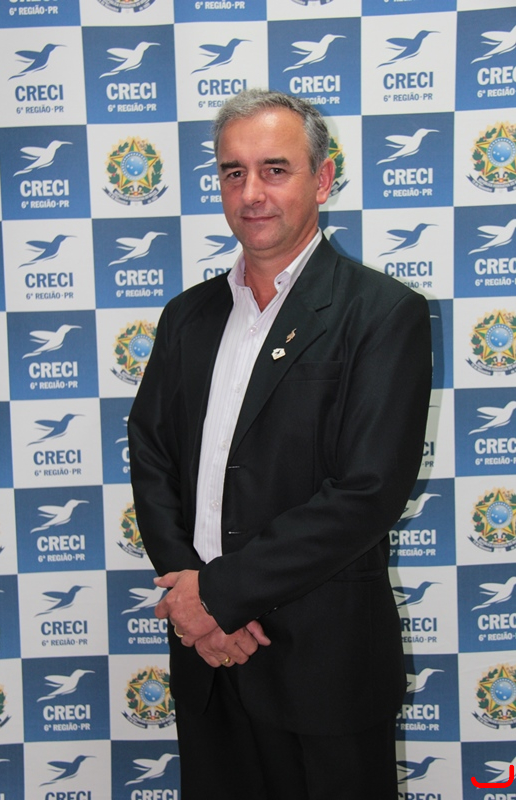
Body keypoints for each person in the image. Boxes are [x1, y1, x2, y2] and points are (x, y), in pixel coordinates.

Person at [128, 89, 432, 800]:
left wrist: (218, 596)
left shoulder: (383, 313)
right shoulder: (186, 316)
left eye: (274, 169)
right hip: (207, 658)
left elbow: (367, 492)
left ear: (321, 180)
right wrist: (191, 600)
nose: (251, 193)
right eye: (233, 172)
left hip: (323, 669)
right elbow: (151, 454)